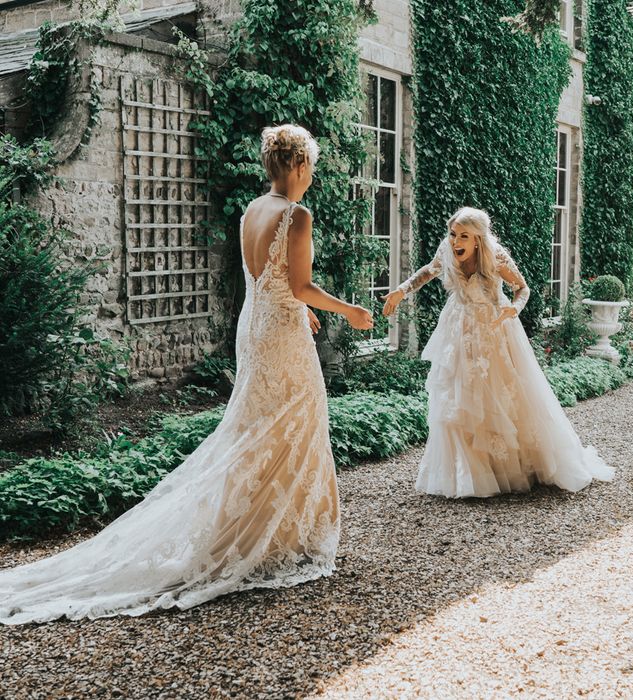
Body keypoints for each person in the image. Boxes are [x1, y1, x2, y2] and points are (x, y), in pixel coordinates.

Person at [0, 124, 373, 624]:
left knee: (258, 425)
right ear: (300, 166)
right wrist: (347, 309)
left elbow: (268, 280)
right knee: (294, 422)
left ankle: (265, 532)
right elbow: (302, 284)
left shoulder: (252, 210)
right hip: (280, 336)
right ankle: (274, 537)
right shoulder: (296, 215)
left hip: (257, 329)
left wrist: (297, 306)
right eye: (312, 167)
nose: (312, 176)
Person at [383, 206, 614, 498]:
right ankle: (467, 474)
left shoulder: (496, 256)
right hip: (458, 328)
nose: (455, 242)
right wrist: (401, 290)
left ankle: (506, 467)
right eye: (453, 234)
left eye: (463, 236)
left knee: (499, 396)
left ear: (477, 239)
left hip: (493, 328)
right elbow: (428, 271)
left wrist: (512, 309)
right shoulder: (448, 251)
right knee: (455, 398)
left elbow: (523, 288)